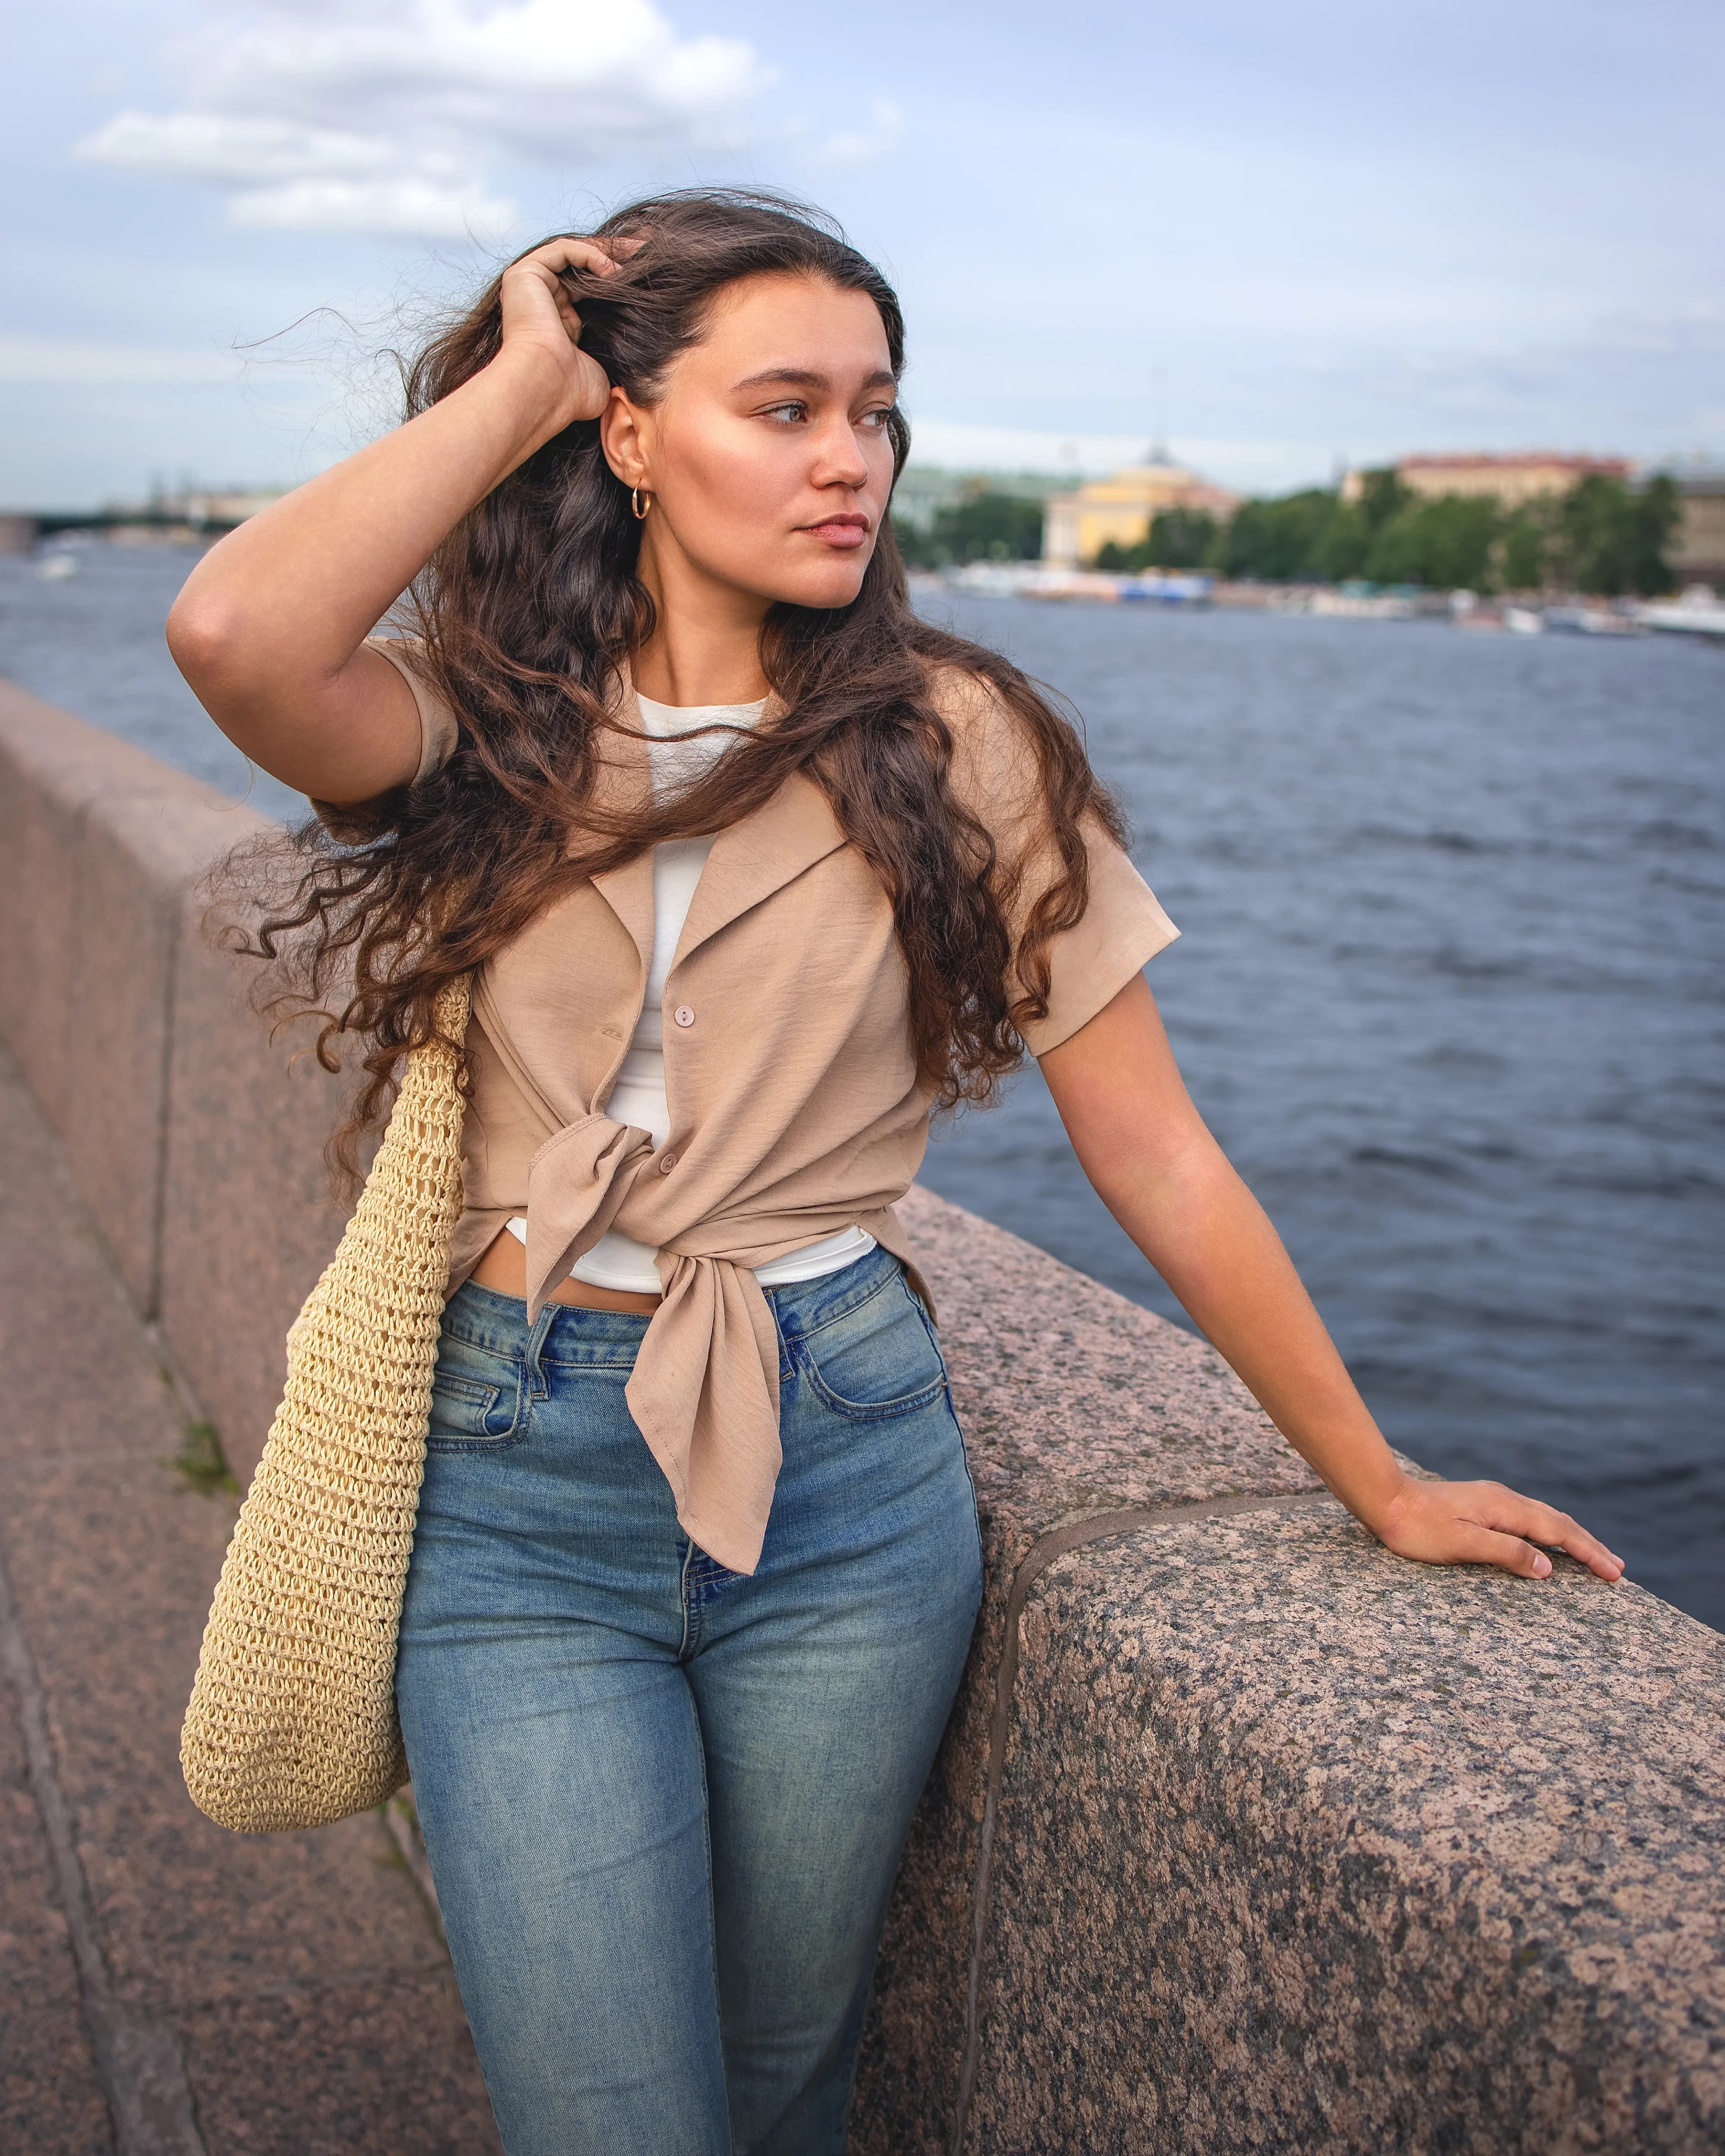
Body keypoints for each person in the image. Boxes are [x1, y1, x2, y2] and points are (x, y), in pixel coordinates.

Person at [167, 189, 1623, 2156]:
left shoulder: (962, 742)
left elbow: (1159, 1150)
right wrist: (518, 376)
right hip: (516, 1487)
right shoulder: (483, 724)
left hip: (847, 1463)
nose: (849, 456)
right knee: (612, 2120)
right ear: (627, 431)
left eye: (877, 410)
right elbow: (238, 631)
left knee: (787, 2082)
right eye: (784, 407)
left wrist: (1374, 1476)